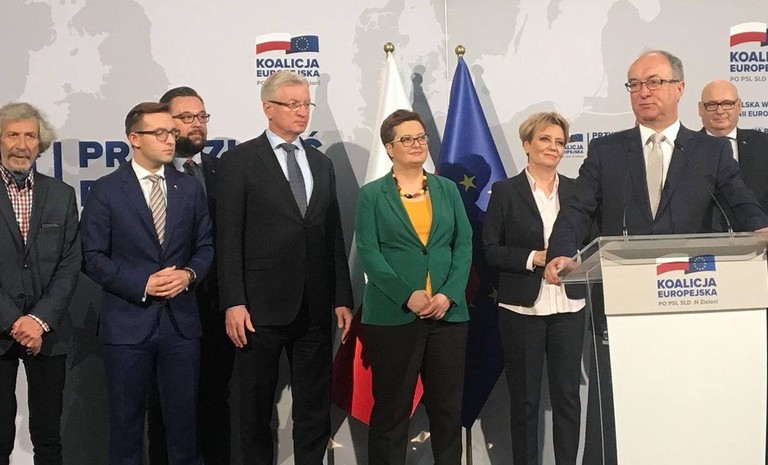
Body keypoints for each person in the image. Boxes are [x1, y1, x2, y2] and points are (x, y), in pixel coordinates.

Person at [544, 50, 768, 464]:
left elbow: (741, 203)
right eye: (634, 84)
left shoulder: (710, 151)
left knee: (685, 404)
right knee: (617, 411)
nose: (643, 92)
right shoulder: (607, 151)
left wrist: (760, 230)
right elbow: (577, 210)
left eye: (653, 82)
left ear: (679, 88)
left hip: (694, 299)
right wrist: (560, 251)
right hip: (623, 305)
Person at [216, 70, 353, 465]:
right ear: (268, 108)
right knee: (255, 405)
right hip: (258, 308)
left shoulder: (321, 163)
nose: (302, 111)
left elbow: (332, 234)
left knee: (314, 405)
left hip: (314, 304)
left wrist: (341, 296)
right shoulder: (240, 161)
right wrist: (234, 301)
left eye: (306, 103)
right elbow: (229, 238)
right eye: (292, 104)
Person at [80, 102, 213, 465]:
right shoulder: (107, 190)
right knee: (126, 429)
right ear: (134, 138)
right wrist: (142, 283)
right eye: (161, 133)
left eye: (173, 132)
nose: (171, 140)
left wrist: (188, 275)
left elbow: (205, 246)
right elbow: (91, 256)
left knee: (184, 429)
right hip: (127, 326)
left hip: (181, 325)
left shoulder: (189, 188)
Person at [355, 109, 472, 465]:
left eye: (421, 137)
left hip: (447, 317)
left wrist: (448, 294)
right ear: (389, 148)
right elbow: (369, 253)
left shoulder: (447, 189)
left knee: (447, 413)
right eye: (406, 139)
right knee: (391, 413)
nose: (417, 144)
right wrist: (408, 295)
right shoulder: (371, 195)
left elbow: (463, 244)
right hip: (393, 317)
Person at [483, 112, 588, 465]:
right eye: (545, 139)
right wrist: (534, 257)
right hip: (521, 309)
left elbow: (591, 242)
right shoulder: (505, 191)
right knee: (526, 401)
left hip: (569, 307)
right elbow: (490, 249)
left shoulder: (578, 191)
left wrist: (574, 260)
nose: (553, 147)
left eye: (560, 142)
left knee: (567, 398)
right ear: (526, 144)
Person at [146, 87, 234, 465]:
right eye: (186, 117)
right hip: (167, 309)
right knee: (166, 407)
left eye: (201, 116)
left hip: (217, 309)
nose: (196, 124)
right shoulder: (151, 175)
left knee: (215, 401)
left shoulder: (222, 170)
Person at [0, 102, 80, 465]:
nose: (22, 145)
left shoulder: (61, 194)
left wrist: (38, 320)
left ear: (40, 142)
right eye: (12, 135)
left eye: (30, 136)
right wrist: (14, 320)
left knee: (49, 438)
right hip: (1, 329)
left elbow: (70, 263)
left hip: (48, 332)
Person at [698, 79, 768, 213]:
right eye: (712, 104)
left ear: (739, 106)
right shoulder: (685, 148)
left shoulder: (763, 144)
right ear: (701, 109)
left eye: (727, 104)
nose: (720, 111)